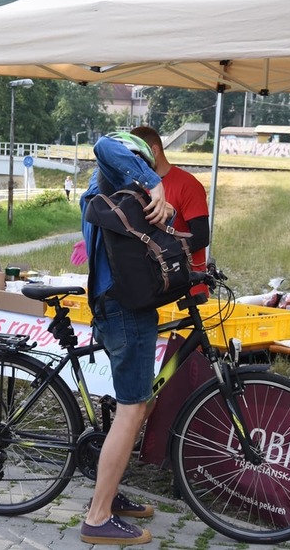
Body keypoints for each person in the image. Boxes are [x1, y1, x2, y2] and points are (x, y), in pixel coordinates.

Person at [78, 132, 171, 545]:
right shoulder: (111, 181)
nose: (141, 177)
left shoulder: (114, 200)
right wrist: (155, 182)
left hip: (120, 307)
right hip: (124, 310)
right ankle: (98, 517)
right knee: (133, 408)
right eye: (138, 163)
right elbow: (102, 144)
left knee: (140, 403)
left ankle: (110, 494)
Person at [130, 126, 210, 282]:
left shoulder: (188, 185)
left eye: (136, 157)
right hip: (155, 281)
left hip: (187, 282)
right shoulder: (137, 187)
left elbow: (201, 237)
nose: (132, 163)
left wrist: (160, 253)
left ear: (153, 151)